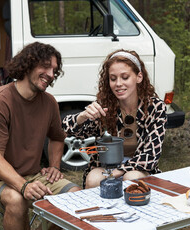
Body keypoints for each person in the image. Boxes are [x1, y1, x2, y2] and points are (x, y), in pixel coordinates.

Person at [0, 42, 81, 230]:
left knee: (75, 195)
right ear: (28, 64)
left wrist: (55, 166)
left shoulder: (49, 103)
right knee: (16, 200)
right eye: (46, 66)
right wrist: (23, 186)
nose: (50, 74)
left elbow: (57, 137)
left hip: (32, 176)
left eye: (54, 70)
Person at [62, 49, 167, 188]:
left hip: (140, 169)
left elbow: (150, 156)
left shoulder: (156, 107)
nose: (118, 83)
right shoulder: (105, 108)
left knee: (131, 178)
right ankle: (97, 209)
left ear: (139, 77)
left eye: (125, 77)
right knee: (93, 178)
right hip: (106, 166)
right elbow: (68, 130)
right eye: (113, 78)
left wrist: (117, 172)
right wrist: (82, 117)